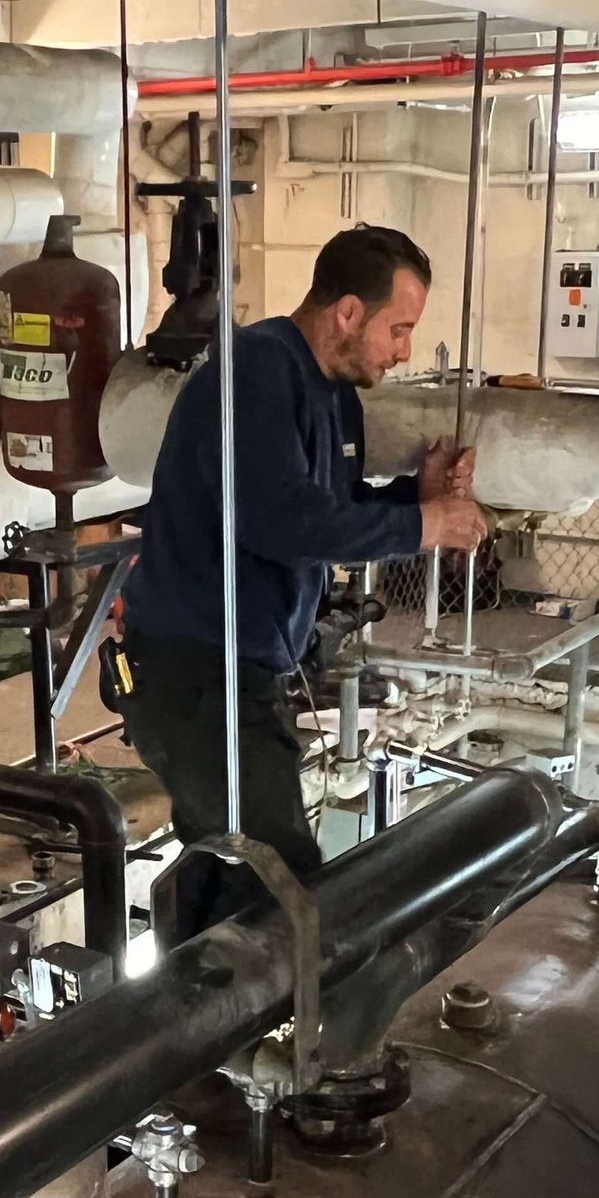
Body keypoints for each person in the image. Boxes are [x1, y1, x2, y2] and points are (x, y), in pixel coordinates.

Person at [123, 223, 482, 933]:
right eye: (399, 328)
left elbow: (330, 512)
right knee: (277, 876)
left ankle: (197, 1021)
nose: (404, 351)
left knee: (231, 867)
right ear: (347, 313)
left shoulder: (334, 396)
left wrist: (414, 497)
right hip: (196, 671)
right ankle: (284, 1029)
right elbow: (281, 522)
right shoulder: (256, 370)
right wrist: (427, 526)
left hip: (242, 671)